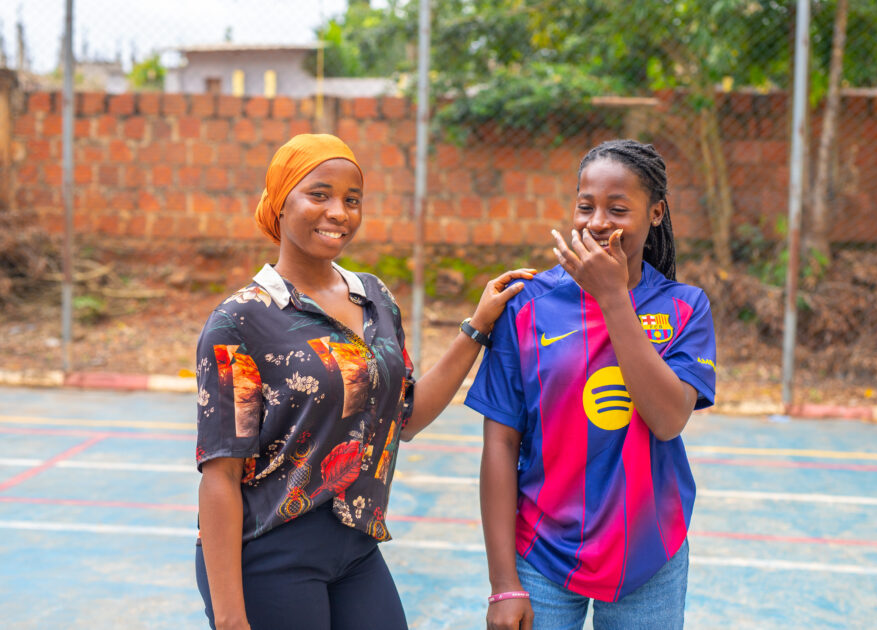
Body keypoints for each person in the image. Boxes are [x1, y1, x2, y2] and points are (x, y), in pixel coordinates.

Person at [193, 133, 534, 630]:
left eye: (352, 200)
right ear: (280, 201)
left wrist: (478, 326)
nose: (339, 212)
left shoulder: (375, 298)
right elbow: (220, 475)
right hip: (268, 551)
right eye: (319, 195)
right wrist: (230, 620)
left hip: (355, 547)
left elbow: (407, 416)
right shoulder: (241, 320)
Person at [466, 139, 716, 630]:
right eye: (586, 206)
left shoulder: (685, 307)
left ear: (656, 213)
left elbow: (668, 421)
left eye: (618, 209)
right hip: (542, 553)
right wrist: (504, 583)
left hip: (649, 552)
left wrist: (613, 297)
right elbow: (500, 443)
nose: (598, 222)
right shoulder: (527, 305)